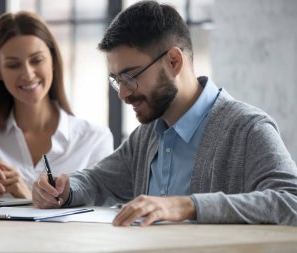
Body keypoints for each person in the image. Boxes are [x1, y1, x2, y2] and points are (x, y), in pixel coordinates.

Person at [32, 1, 297, 226]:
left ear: (174, 61)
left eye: (130, 76)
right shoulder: (147, 136)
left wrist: (187, 206)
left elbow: (291, 201)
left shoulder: (248, 129)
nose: (123, 94)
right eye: (116, 79)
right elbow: (97, 181)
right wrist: (64, 189)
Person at [0, 11, 113, 200]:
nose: (27, 74)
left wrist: (26, 197)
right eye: (13, 65)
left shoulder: (93, 140)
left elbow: (100, 218)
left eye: (36, 60)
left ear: (53, 60)